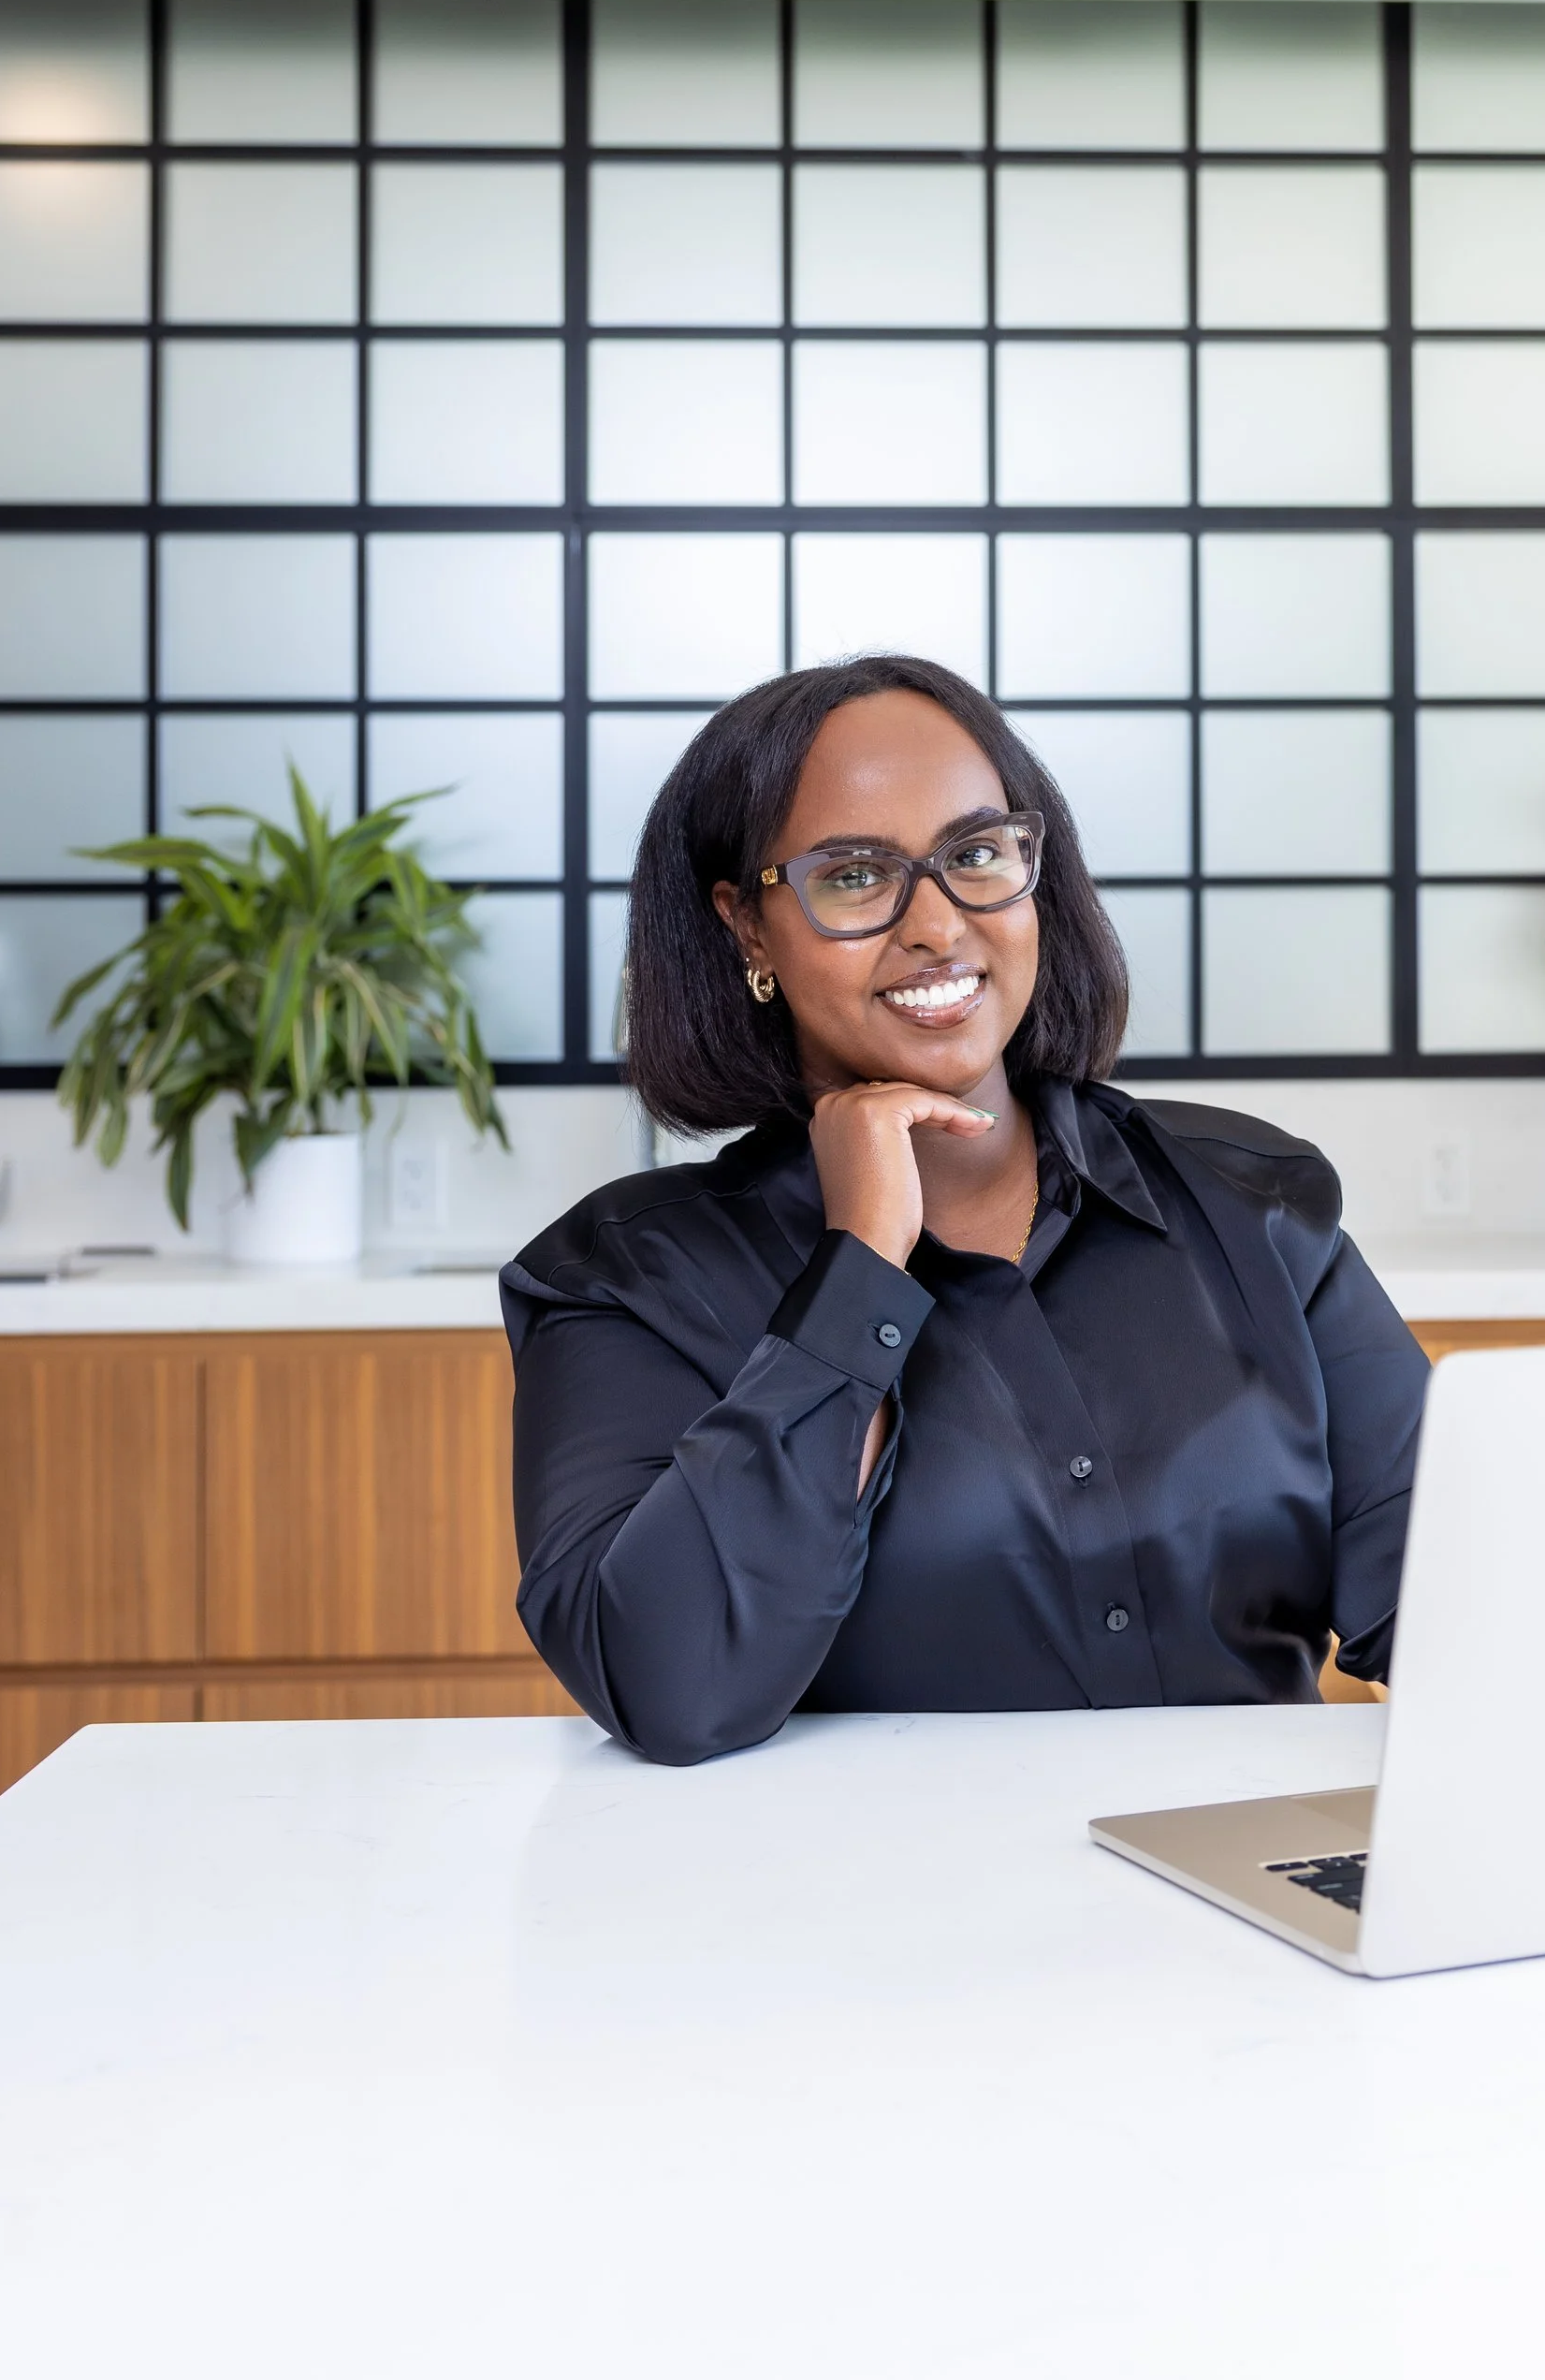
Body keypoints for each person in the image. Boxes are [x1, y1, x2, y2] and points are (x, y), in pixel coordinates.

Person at [503, 654, 1428, 1761]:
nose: (937, 925)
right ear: (746, 928)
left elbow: (1455, 1608)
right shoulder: (626, 1282)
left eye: (976, 854)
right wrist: (858, 1276)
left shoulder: (1255, 1204)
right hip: (863, 1912)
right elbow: (672, 1686)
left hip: (1239, 1894)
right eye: (853, 876)